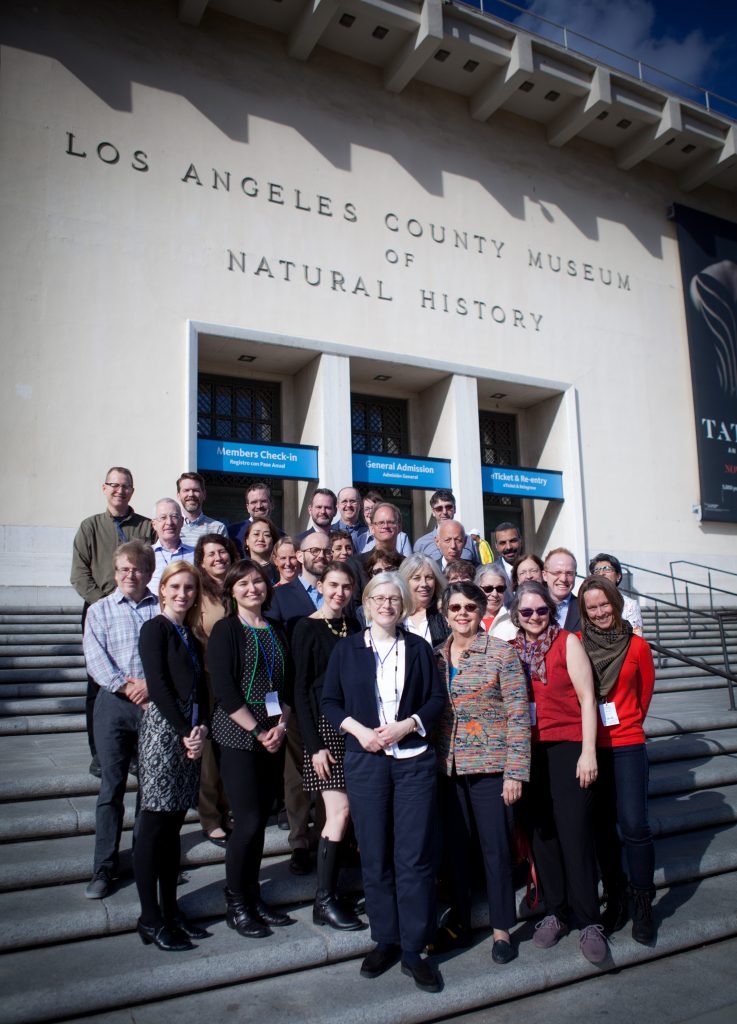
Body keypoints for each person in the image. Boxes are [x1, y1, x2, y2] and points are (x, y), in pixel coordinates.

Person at [322, 572, 447, 993]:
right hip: (366, 762)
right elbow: (329, 701)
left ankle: (414, 948)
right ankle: (385, 939)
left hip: (412, 761)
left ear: (404, 603)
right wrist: (360, 731)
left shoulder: (419, 648)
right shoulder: (347, 649)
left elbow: (434, 701)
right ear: (367, 602)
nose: (387, 604)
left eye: (395, 598)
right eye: (379, 597)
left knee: (413, 857)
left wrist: (407, 725)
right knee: (374, 855)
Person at [509, 582, 606, 964]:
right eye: (526, 612)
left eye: (541, 611)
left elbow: (588, 699)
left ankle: (589, 920)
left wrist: (588, 752)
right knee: (542, 835)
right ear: (517, 616)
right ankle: (555, 911)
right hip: (528, 751)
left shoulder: (568, 642)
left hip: (568, 748)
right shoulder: (512, 650)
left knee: (575, 832)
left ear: (551, 610)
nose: (534, 618)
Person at [435, 581, 530, 963]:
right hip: (448, 768)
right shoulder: (434, 656)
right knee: (456, 851)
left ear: (481, 612)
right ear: (445, 614)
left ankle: (502, 930)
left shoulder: (501, 654)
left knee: (495, 849)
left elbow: (519, 715)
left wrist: (515, 772)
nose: (462, 614)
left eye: (469, 608)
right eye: (455, 608)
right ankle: (458, 921)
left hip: (491, 767)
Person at [208, 560, 295, 938]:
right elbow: (225, 691)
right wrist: (260, 731)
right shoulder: (226, 630)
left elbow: (287, 684)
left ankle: (253, 895)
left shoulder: (276, 628)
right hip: (239, 736)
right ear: (231, 590)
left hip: (273, 733)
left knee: (260, 820)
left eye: (257, 582)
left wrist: (282, 726)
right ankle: (236, 903)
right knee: (246, 821)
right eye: (242, 583)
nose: (251, 588)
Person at [135, 561, 210, 952]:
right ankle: (150, 918)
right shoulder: (155, 629)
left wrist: (199, 733)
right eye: (175, 587)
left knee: (173, 830)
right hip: (165, 736)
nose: (183, 594)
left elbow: (200, 690)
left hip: (190, 736)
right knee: (154, 829)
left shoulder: (191, 635)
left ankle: (169, 910)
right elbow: (159, 687)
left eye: (190, 588)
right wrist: (185, 732)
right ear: (162, 589)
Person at [578, 575, 656, 944]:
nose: (599, 612)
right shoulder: (576, 644)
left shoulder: (637, 646)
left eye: (604, 604)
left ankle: (643, 903)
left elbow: (644, 697)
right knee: (601, 827)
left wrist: (626, 724)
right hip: (591, 747)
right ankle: (617, 896)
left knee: (634, 825)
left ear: (616, 602)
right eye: (591, 607)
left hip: (626, 743)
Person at [82, 540, 159, 899]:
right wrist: (128, 688)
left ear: (149, 573)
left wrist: (151, 687)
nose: (131, 575)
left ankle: (145, 856)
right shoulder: (99, 610)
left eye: (138, 569)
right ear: (115, 573)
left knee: (150, 789)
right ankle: (104, 866)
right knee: (111, 787)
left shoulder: (160, 609)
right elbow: (95, 659)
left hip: (152, 706)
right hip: (113, 704)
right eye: (125, 569)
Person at [292, 562, 364, 930]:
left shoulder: (354, 626)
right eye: (333, 585)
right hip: (324, 729)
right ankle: (324, 900)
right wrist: (314, 745)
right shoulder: (306, 627)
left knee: (349, 813)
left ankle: (337, 891)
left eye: (346, 586)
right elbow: (301, 690)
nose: (340, 592)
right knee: (339, 811)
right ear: (320, 585)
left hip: (353, 726)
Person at [71, 466, 154, 777]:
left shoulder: (146, 526)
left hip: (141, 607)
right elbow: (79, 572)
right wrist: (104, 604)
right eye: (114, 485)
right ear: (104, 488)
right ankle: (100, 752)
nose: (120, 490)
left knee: (140, 675)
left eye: (126, 486)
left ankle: (135, 748)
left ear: (132, 490)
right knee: (98, 683)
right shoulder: (90, 526)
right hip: (102, 608)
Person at [266, 531, 331, 874]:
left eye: (326, 549)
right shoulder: (282, 596)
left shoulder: (338, 591)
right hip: (294, 699)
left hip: (334, 702)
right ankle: (299, 842)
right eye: (313, 550)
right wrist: (276, 706)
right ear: (300, 556)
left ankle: (328, 839)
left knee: (329, 775)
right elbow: (275, 652)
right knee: (297, 777)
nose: (320, 554)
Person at [193, 532, 240, 847]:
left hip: (240, 681)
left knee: (234, 748)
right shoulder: (197, 592)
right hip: (209, 681)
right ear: (201, 560)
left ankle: (234, 807)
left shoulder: (238, 585)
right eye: (211, 554)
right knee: (210, 752)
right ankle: (210, 816)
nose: (218, 558)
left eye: (222, 551)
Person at [414, 490, 479, 563]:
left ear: (455, 509)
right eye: (439, 508)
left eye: (448, 507)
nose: (444, 512)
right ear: (433, 512)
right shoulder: (422, 543)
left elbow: (477, 569)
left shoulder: (468, 540)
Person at [398, 553, 449, 646]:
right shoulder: (395, 614)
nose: (424, 584)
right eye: (416, 578)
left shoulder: (445, 612)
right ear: (405, 582)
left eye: (429, 577)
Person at [588, 553, 644, 636]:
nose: (601, 573)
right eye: (597, 571)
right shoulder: (588, 603)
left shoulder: (630, 605)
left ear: (618, 576)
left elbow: (637, 636)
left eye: (606, 569)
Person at [149, 498, 195, 596]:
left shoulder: (195, 554)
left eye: (174, 516)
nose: (169, 522)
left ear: (182, 521)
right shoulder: (145, 555)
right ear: (154, 524)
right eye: (163, 517)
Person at [228, 481, 283, 555]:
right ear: (247, 507)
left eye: (263, 501)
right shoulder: (232, 532)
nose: (259, 506)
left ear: (272, 504)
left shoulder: (282, 537)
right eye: (254, 502)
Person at [176, 472, 227, 547]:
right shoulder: (170, 527)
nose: (191, 494)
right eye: (186, 490)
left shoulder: (218, 528)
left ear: (204, 494)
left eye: (196, 490)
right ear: (178, 495)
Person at [543, 547, 581, 632]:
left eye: (569, 573)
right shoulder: (533, 607)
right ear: (545, 575)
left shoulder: (584, 609)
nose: (563, 579)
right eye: (557, 572)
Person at [475, 565, 516, 640]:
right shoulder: (469, 620)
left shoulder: (515, 621)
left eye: (500, 589)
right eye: (488, 589)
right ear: (477, 589)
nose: (495, 594)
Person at [242, 516, 280, 584]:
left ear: (273, 541)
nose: (261, 539)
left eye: (267, 535)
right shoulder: (239, 569)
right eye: (256, 534)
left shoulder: (281, 569)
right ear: (247, 540)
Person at [333, 486, 369, 552]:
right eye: (344, 501)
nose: (349, 505)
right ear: (337, 505)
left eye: (352, 501)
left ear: (360, 505)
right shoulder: (329, 532)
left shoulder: (369, 533)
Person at [489, 523, 523, 590]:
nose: (508, 547)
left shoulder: (533, 569)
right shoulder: (489, 573)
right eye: (503, 543)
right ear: (496, 546)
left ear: (520, 541)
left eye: (513, 541)